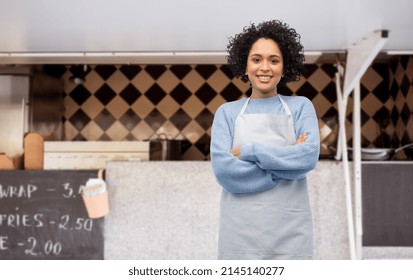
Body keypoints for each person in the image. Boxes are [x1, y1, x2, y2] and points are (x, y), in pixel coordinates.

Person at [210, 19, 320, 260]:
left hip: (291, 230)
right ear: (245, 64)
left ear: (284, 65)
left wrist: (248, 151)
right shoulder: (226, 113)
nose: (265, 68)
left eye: (274, 60)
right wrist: (287, 166)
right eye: (256, 59)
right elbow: (224, 171)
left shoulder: (301, 107)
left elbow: (307, 157)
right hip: (239, 231)